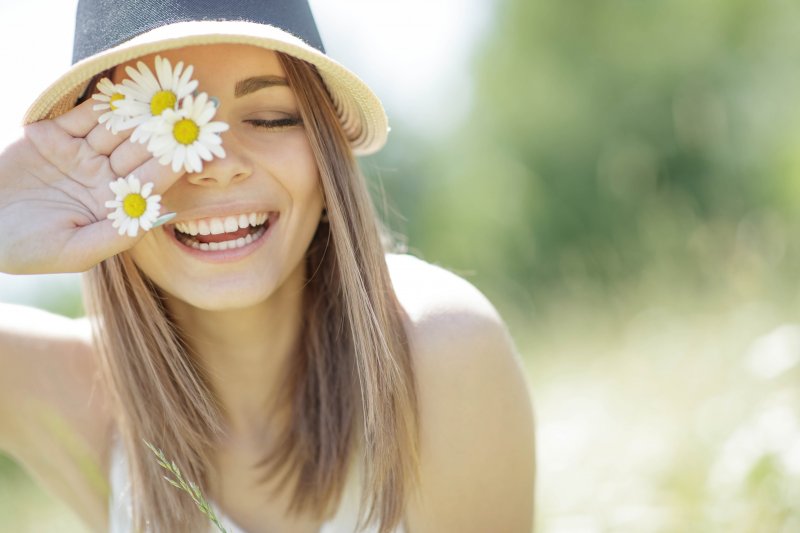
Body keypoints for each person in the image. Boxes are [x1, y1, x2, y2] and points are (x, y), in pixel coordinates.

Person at [0, 1, 535, 532]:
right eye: (156, 128)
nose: (218, 165)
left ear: (325, 154)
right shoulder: (61, 385)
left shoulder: (441, 347)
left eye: (269, 118)